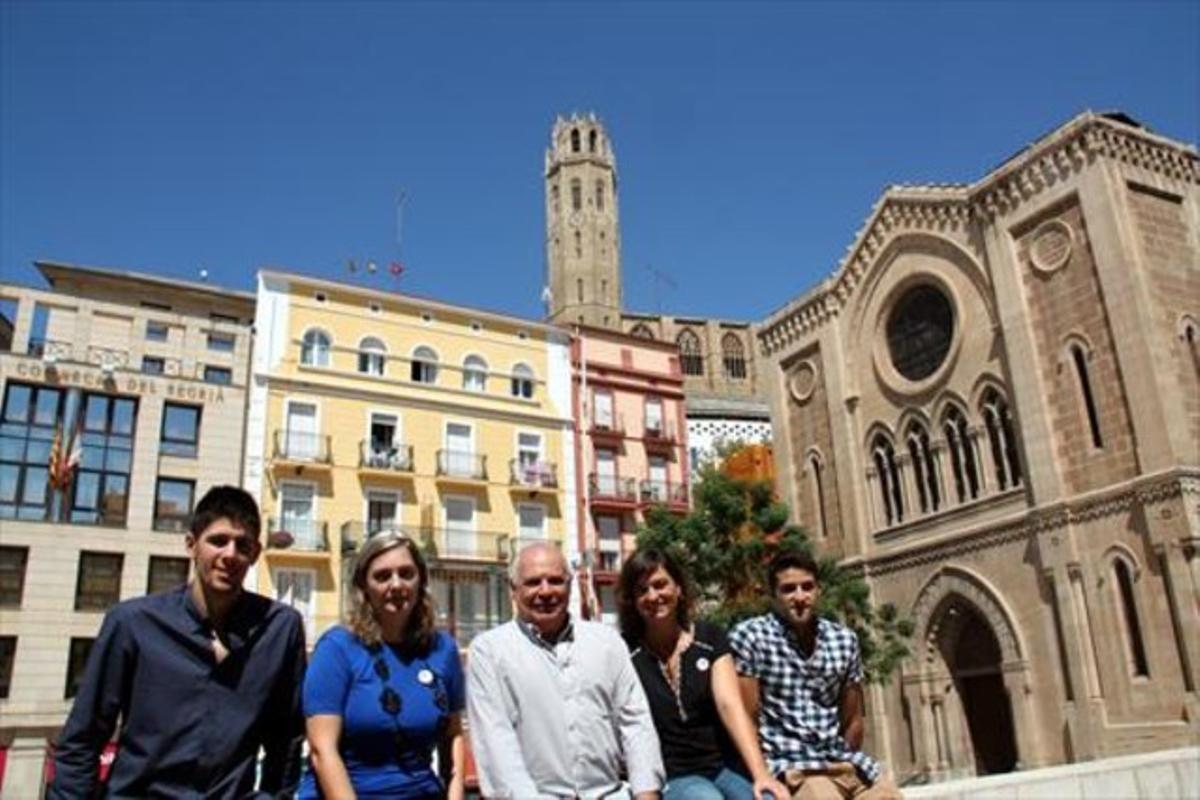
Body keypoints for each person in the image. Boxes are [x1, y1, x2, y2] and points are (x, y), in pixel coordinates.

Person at [50, 485, 307, 798]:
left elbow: (286, 739)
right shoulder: (132, 623)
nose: (230, 555)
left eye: (242, 545)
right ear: (191, 545)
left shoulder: (280, 628)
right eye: (218, 541)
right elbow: (82, 740)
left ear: (255, 554)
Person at [467, 542, 664, 798]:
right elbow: (496, 744)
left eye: (555, 581)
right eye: (533, 582)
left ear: (570, 585)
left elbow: (636, 723)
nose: (545, 591)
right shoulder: (489, 652)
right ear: (513, 590)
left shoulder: (607, 642)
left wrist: (647, 793)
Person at [300, 532, 465, 799]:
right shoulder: (337, 649)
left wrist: (455, 793)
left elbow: (453, 734)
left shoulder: (443, 649)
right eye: (382, 576)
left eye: (406, 573)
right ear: (364, 586)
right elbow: (322, 750)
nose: (396, 584)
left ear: (421, 579)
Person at [618, 549, 790, 800]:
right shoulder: (626, 653)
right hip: (671, 775)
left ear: (678, 588)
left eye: (660, 585)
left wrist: (762, 775)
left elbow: (730, 706)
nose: (653, 596)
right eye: (642, 590)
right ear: (633, 601)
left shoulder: (710, 639)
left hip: (722, 768)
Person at [730, 550, 901, 800]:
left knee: (890, 796)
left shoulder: (843, 640)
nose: (800, 597)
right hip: (793, 768)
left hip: (842, 763)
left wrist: (845, 756)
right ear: (772, 595)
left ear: (818, 590)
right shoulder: (751, 637)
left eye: (807, 587)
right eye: (789, 589)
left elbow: (853, 719)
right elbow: (747, 718)